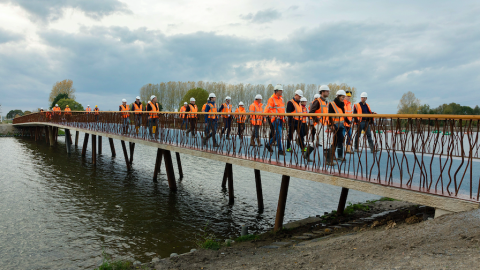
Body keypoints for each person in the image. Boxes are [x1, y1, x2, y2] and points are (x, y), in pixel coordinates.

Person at [309, 85, 335, 165]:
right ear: (322, 92)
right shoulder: (317, 101)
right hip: (320, 124)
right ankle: (328, 161)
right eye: (327, 91)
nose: (328, 92)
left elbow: (327, 114)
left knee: (316, 141)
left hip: (324, 124)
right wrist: (318, 120)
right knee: (325, 141)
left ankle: (306, 155)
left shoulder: (325, 102)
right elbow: (311, 113)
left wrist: (330, 124)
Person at [329, 90, 351, 162]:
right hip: (335, 125)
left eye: (344, 97)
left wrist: (348, 122)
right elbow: (329, 116)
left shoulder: (342, 104)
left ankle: (331, 155)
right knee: (341, 139)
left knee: (336, 140)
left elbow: (343, 115)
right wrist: (331, 125)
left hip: (341, 125)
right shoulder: (331, 104)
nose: (343, 98)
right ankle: (340, 156)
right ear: (338, 96)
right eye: (342, 97)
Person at [264, 84, 285, 155]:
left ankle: (268, 143)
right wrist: (275, 116)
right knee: (279, 134)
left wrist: (283, 117)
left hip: (281, 119)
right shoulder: (271, 99)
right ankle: (280, 150)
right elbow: (269, 109)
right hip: (275, 119)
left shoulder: (282, 99)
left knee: (278, 135)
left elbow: (282, 109)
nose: (282, 92)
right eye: (280, 91)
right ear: (276, 91)